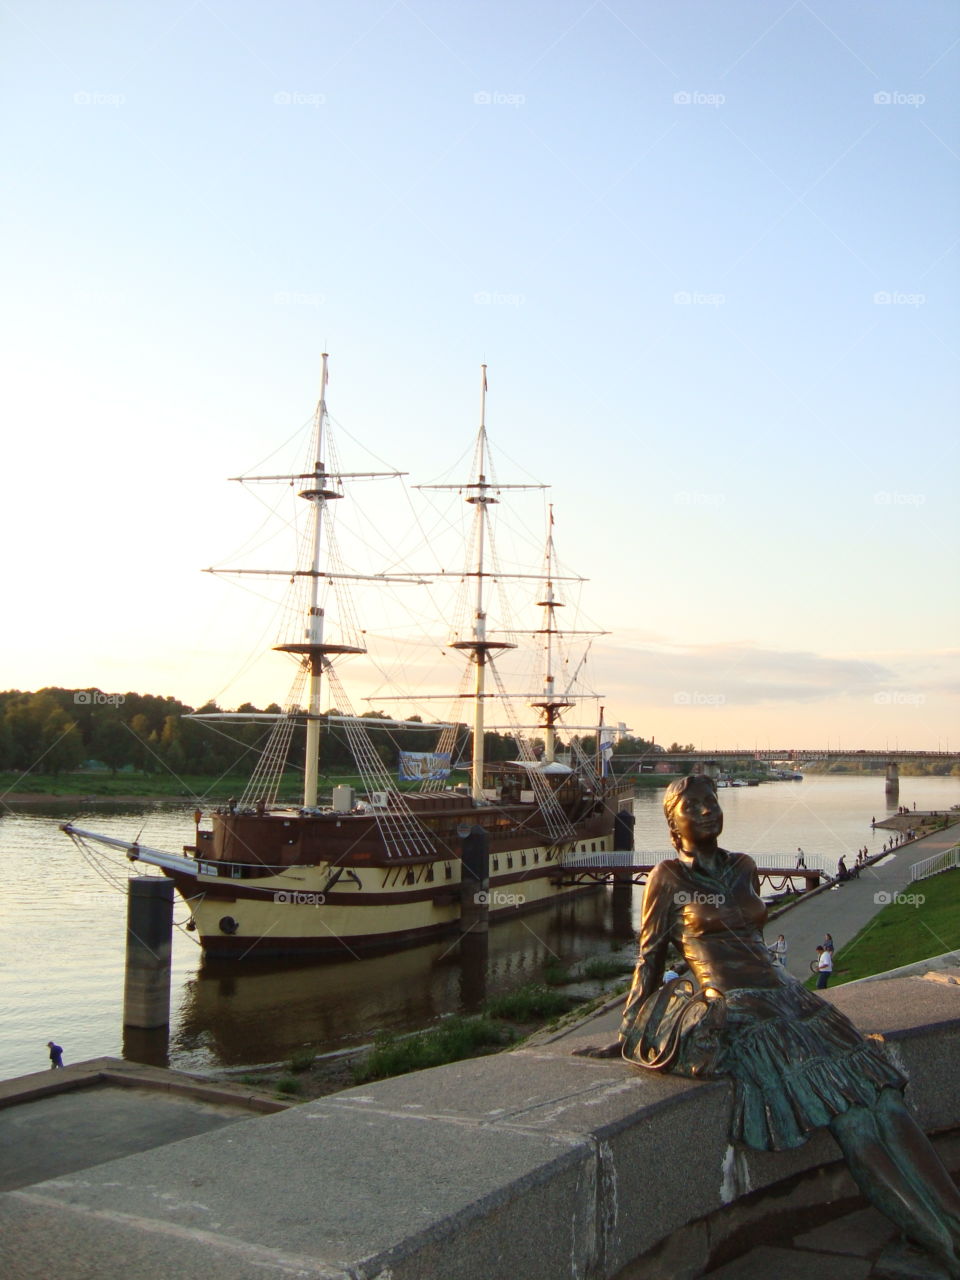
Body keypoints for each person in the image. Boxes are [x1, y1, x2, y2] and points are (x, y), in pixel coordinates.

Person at [617, 776, 960, 1277]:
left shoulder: (744, 867)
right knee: (854, 1118)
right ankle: (941, 1246)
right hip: (735, 1008)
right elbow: (648, 957)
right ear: (674, 822)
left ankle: (952, 1224)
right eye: (693, 805)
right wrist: (633, 1024)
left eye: (712, 800)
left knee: (884, 1097)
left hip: (790, 998)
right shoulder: (667, 877)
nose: (708, 810)